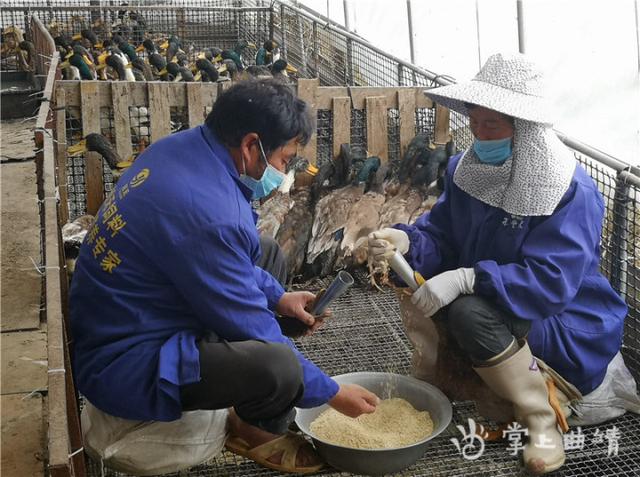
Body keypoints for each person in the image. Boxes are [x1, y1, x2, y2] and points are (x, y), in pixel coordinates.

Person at [70, 78, 379, 475]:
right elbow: (250, 317)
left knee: (265, 253)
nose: (284, 171)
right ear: (252, 145)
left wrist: (278, 297)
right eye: (284, 160)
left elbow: (219, 254)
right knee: (279, 367)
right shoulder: (206, 213)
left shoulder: (180, 149)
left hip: (126, 313)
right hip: (125, 361)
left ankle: (243, 401)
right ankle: (252, 430)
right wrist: (332, 393)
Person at [368, 52, 640, 475]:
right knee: (433, 291)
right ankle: (479, 385)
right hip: (499, 303)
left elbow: (551, 282)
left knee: (469, 311)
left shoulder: (569, 191)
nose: (479, 133)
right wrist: (406, 240)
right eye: (474, 121)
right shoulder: (468, 169)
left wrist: (468, 277)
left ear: (525, 127)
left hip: (561, 318)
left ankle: (541, 420)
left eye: (491, 124)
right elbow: (443, 234)